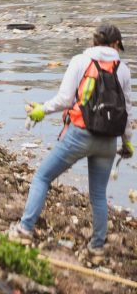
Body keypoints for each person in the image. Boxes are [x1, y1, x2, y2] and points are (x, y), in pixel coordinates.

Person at [9, 24, 134, 255]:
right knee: (98, 194)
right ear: (116, 44)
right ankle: (97, 247)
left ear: (94, 41)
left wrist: (42, 110)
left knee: (42, 177)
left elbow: (65, 100)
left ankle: (24, 230)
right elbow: (127, 110)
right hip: (108, 141)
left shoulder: (80, 61)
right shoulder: (124, 70)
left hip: (79, 135)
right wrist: (127, 142)